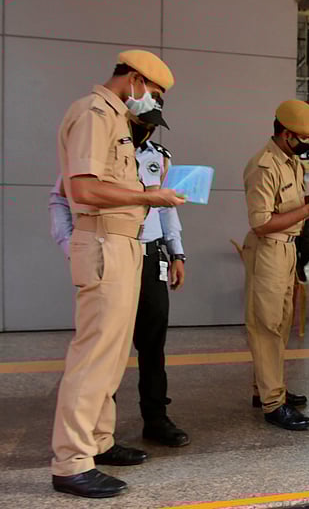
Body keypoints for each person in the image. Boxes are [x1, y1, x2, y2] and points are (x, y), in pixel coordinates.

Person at [51, 50, 185, 499]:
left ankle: (98, 441)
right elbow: (83, 187)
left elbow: (110, 184)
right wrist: (151, 197)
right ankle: (71, 461)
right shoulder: (94, 113)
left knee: (111, 354)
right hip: (106, 242)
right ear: (133, 80)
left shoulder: (115, 120)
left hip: (125, 244)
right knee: (92, 356)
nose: (153, 102)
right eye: (154, 92)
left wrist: (148, 193)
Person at [242, 100, 309, 430]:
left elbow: (293, 205)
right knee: (266, 325)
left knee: (281, 323)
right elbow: (261, 223)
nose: (306, 145)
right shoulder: (264, 166)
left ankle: (267, 388)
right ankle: (273, 403)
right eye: (302, 139)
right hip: (268, 248)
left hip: (287, 249)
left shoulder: (291, 162)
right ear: (285, 134)